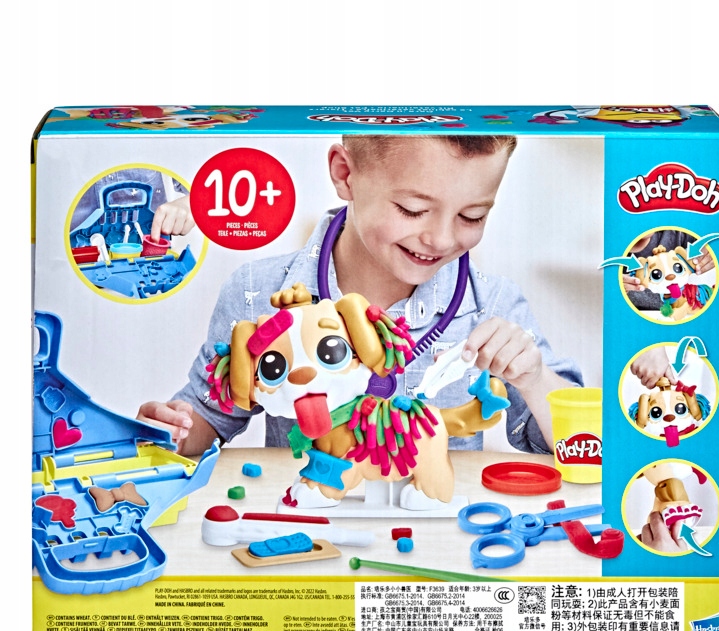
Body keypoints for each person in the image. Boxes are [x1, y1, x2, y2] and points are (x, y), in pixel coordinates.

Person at [138, 135, 583, 456]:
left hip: (439, 538)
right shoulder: (259, 291)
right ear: (345, 174)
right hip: (309, 532)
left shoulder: (492, 305)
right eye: (412, 210)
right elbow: (208, 418)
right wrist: (170, 430)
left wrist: (535, 378)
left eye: (472, 216)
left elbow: (583, 447)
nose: (441, 239)